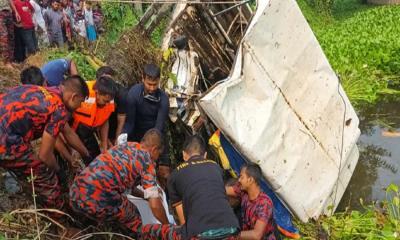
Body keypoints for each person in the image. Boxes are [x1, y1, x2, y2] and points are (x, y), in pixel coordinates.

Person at [0, 75, 88, 210]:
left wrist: (86, 154)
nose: (80, 106)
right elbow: (44, 155)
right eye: (81, 102)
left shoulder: (49, 92)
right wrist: (59, 173)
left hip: (6, 126)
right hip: (5, 140)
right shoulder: (59, 110)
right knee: (46, 177)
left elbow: (68, 133)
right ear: (74, 97)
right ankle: (60, 221)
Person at [69, 129, 169, 236]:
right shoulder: (146, 161)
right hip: (95, 198)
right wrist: (168, 226)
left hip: (75, 193)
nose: (157, 158)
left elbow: (124, 185)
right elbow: (155, 206)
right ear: (154, 149)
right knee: (134, 216)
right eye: (159, 154)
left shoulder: (125, 146)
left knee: (118, 203)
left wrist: (145, 196)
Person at [141, 135, 240, 240]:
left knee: (147, 230)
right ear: (205, 155)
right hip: (232, 230)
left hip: (200, 234)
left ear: (184, 155)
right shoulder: (216, 167)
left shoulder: (174, 176)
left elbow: (184, 223)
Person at [119, 64, 170, 174]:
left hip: (156, 136)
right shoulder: (133, 94)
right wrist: (123, 137)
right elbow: (129, 123)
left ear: (159, 81)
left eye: (155, 84)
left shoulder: (163, 99)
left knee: (163, 171)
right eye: (149, 84)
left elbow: (158, 128)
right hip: (137, 135)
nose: (152, 88)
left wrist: (152, 152)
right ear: (142, 79)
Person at [71, 75, 117, 164]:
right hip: (73, 130)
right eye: (105, 101)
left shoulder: (109, 98)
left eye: (109, 101)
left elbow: (105, 120)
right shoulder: (81, 93)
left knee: (95, 158)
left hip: (88, 131)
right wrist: (72, 147)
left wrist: (104, 144)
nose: (107, 103)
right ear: (97, 93)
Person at [225, 163, 277, 240]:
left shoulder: (264, 203)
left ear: (250, 180)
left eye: (242, 177)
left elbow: (256, 235)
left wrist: (232, 235)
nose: (239, 180)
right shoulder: (243, 192)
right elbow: (224, 190)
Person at [0, 0, 20, 66]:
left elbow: (10, 1)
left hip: (9, 12)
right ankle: (6, 62)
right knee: (4, 38)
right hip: (0, 13)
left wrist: (16, 12)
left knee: (11, 37)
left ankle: (11, 60)